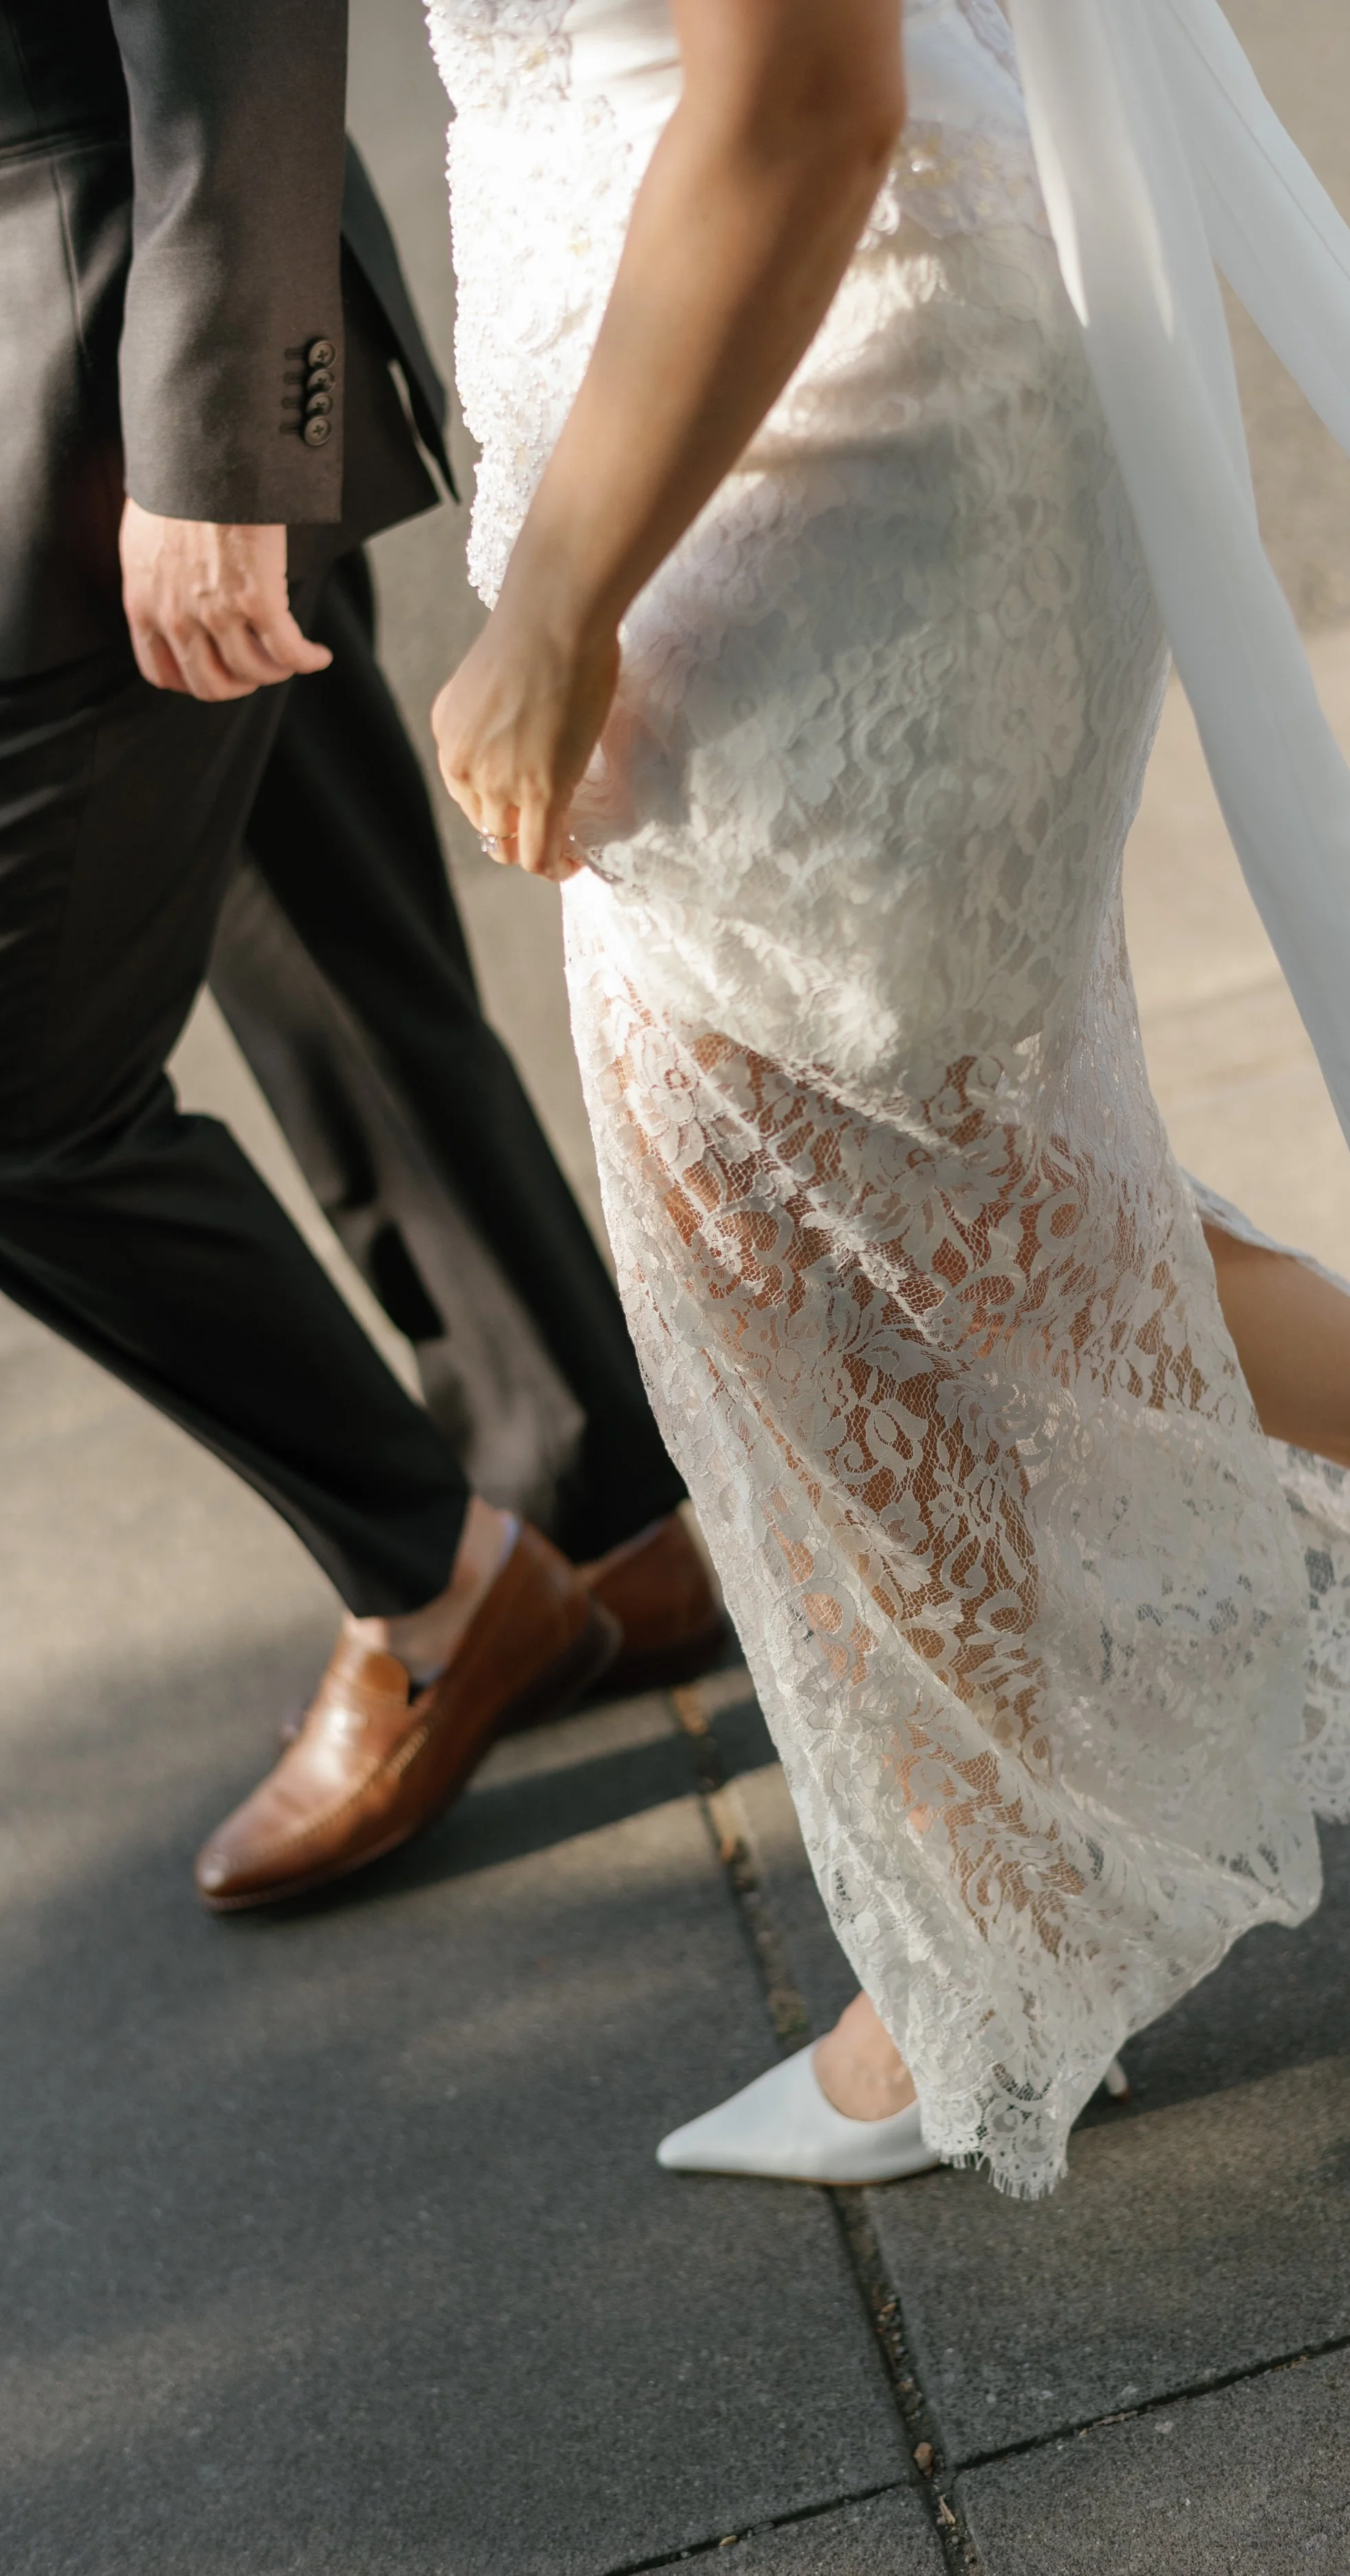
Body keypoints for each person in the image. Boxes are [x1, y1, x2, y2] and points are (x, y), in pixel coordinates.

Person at [426, 0, 1350, 2196]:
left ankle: (1000, 1961)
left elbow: (803, 97)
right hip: (759, 416)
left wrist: (558, 599)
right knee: (909, 1192)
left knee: (802, 1227)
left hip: (809, 437)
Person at [0, 0, 717, 1922]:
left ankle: (436, 1579)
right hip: (108, 312)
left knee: (21, 1110)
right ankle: (606, 1507)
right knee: (319, 939)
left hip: (107, 308)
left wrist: (223, 435)